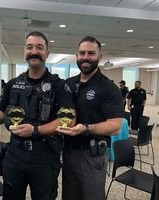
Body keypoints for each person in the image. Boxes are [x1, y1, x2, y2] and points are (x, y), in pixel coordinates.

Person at [0, 31, 75, 200]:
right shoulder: (13, 84)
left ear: (47, 53)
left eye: (39, 47)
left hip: (44, 155)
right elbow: (1, 112)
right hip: (14, 154)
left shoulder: (59, 86)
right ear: (24, 52)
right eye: (29, 47)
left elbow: (70, 120)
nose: (34, 51)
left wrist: (36, 130)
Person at [58, 36, 125, 200]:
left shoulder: (108, 88)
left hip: (92, 154)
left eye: (91, 53)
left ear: (99, 57)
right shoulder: (69, 84)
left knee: (91, 196)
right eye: (82, 53)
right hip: (68, 151)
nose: (85, 57)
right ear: (76, 56)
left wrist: (86, 128)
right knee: (69, 195)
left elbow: (116, 126)